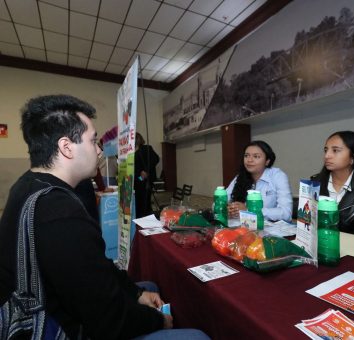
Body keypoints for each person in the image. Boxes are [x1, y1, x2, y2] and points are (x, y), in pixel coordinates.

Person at [0, 95, 209, 340]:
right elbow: (107, 318)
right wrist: (159, 321)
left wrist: (134, 293)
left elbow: (95, 266)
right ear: (67, 147)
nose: (99, 149)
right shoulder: (60, 212)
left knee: (148, 288)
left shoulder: (25, 185)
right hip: (61, 328)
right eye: (93, 140)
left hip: (56, 306)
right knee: (197, 336)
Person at [226, 140, 293, 222]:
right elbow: (218, 202)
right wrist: (228, 209)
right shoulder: (240, 177)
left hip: (270, 229)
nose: (249, 160)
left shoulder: (278, 176)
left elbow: (286, 213)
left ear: (267, 161)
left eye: (256, 156)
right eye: (246, 155)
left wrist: (249, 210)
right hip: (243, 227)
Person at [134, 132, 160, 218]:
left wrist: (146, 171)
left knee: (144, 202)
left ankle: (145, 219)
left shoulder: (146, 148)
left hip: (145, 180)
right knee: (138, 200)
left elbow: (156, 159)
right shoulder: (132, 151)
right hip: (137, 180)